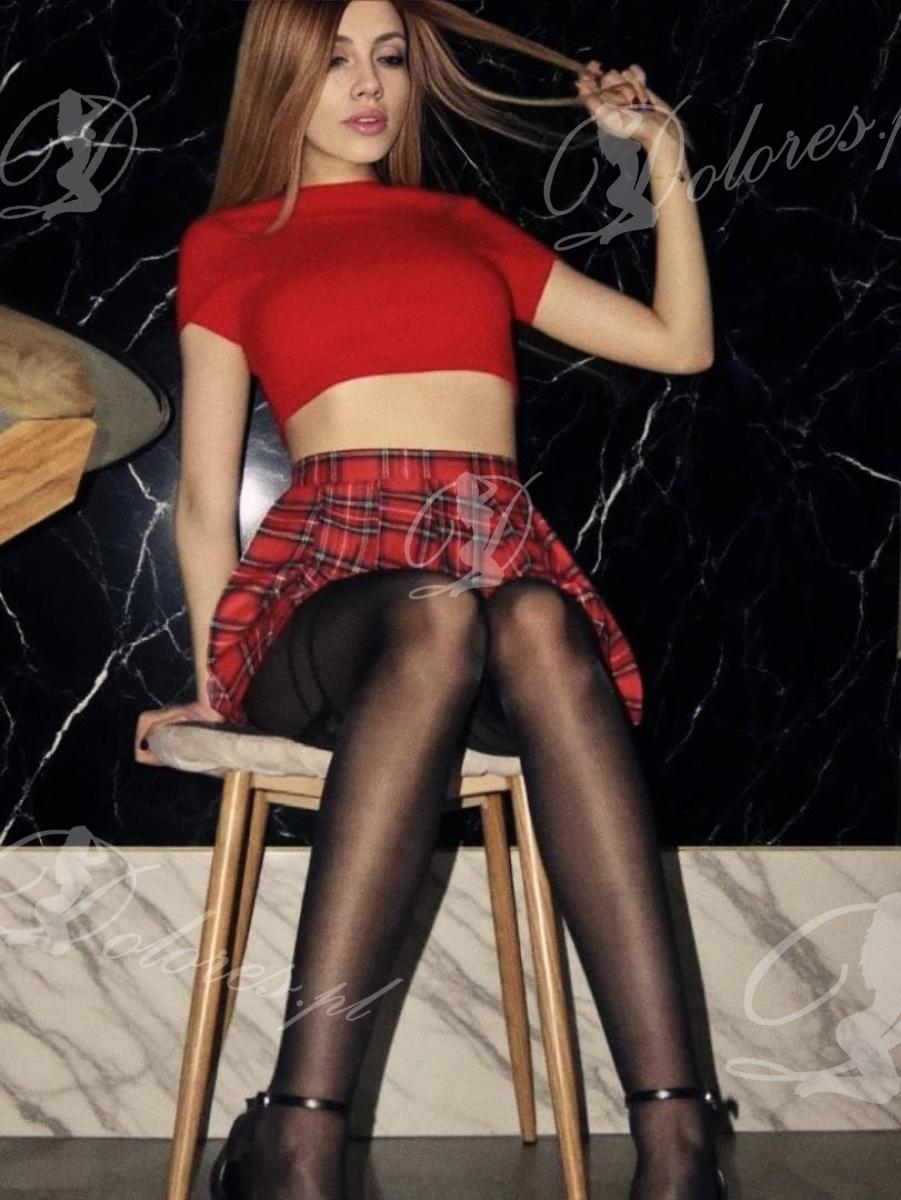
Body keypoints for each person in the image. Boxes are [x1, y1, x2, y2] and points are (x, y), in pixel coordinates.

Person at [135, 3, 724, 1198]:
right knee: (438, 612)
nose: (368, 86)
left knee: (534, 615)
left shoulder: (461, 225)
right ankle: (302, 1135)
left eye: (389, 58)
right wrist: (212, 680)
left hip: (490, 561)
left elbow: (679, 345)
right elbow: (202, 500)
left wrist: (661, 158)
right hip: (328, 596)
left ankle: (674, 1144)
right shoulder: (229, 242)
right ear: (280, 78)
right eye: (333, 60)